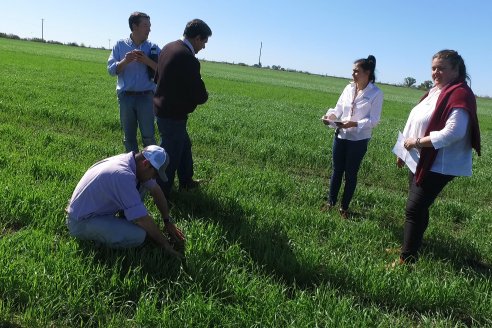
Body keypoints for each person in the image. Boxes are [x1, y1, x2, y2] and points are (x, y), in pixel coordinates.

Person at [394, 50, 481, 265]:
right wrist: (403, 151)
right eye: (433, 67)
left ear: (456, 70)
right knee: (418, 208)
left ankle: (407, 259)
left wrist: (417, 142)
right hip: (419, 159)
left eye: (441, 68)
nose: (435, 72)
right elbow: (414, 119)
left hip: (439, 164)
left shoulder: (459, 94)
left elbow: (453, 133)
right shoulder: (436, 91)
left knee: (413, 209)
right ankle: (411, 246)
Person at [66, 145, 185, 258]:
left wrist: (167, 220)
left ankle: (120, 222)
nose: (154, 179)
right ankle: (98, 244)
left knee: (144, 185)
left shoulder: (132, 163)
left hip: (90, 211)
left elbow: (156, 190)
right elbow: (142, 219)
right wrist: (165, 245)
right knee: (138, 236)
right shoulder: (122, 175)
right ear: (146, 163)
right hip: (80, 222)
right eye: (154, 175)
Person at [153, 19, 212, 197]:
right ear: (197, 38)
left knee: (184, 145)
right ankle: (162, 195)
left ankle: (186, 181)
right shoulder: (187, 57)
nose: (204, 47)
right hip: (173, 115)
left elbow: (157, 78)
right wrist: (203, 96)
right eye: (204, 42)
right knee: (170, 157)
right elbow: (199, 94)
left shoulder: (168, 48)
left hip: (162, 110)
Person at [321, 55, 383, 218]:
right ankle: (330, 202)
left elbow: (374, 120)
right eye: (353, 71)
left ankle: (344, 207)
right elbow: (338, 109)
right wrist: (330, 117)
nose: (353, 74)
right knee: (336, 170)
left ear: (367, 72)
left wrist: (354, 124)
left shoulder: (376, 93)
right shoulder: (348, 88)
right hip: (341, 136)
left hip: (358, 140)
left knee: (350, 174)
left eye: (356, 71)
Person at [107, 12, 160, 153]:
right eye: (145, 25)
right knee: (129, 138)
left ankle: (150, 170)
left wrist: (147, 61)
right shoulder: (120, 45)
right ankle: (132, 169)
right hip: (126, 97)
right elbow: (111, 70)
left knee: (148, 138)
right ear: (134, 26)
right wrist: (125, 61)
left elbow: (164, 71)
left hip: (146, 97)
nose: (149, 29)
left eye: (149, 26)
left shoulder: (153, 47)